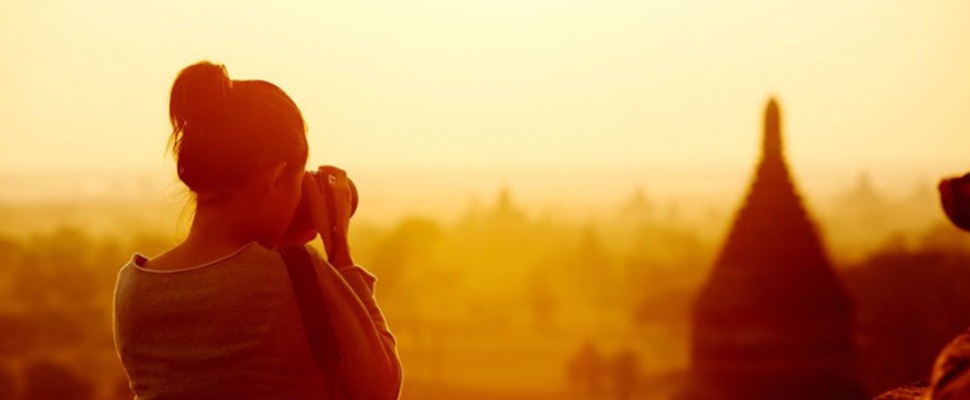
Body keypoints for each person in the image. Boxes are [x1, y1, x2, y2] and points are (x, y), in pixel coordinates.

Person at [112, 61, 402, 399]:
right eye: (296, 181)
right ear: (275, 178)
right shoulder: (299, 275)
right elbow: (382, 386)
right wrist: (339, 249)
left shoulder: (134, 289)